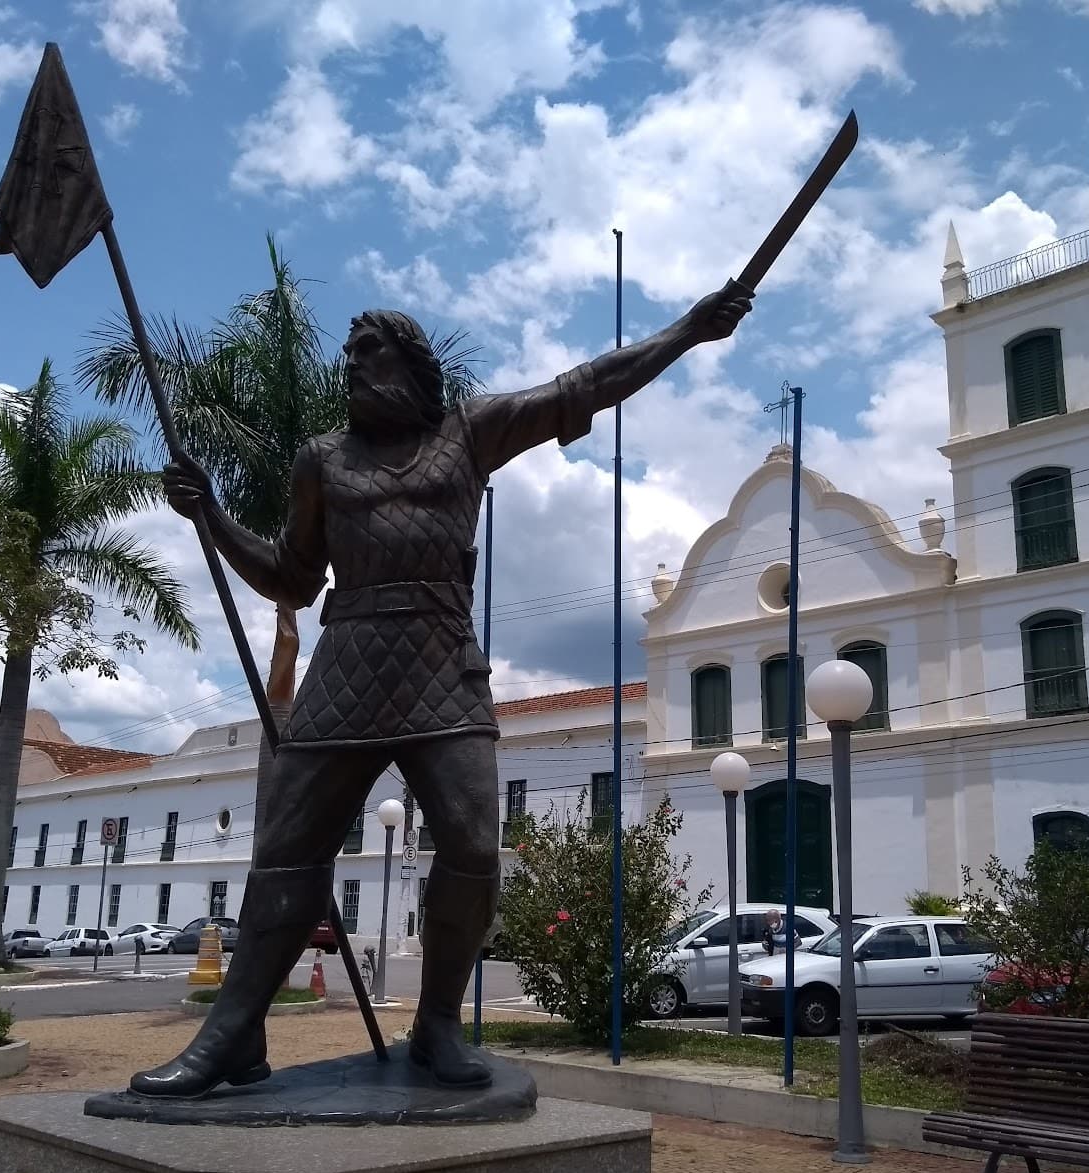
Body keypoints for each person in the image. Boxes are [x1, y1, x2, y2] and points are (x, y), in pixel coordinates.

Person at [131, 281, 753, 1098]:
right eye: (347, 356)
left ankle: (435, 1028)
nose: (351, 367)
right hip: (345, 667)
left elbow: (586, 384)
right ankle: (234, 1034)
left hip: (440, 667)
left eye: (369, 353)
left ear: (411, 365)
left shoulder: (470, 430)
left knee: (471, 847)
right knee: (286, 854)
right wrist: (208, 515)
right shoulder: (321, 458)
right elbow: (290, 575)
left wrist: (686, 332)